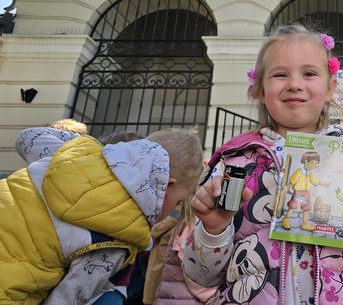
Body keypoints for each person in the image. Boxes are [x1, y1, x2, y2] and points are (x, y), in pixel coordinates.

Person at [180, 24, 343, 304]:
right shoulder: (234, 164)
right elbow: (200, 274)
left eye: (309, 73)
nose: (295, 84)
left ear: (329, 88)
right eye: (280, 74)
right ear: (259, 89)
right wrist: (213, 231)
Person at [0, 125, 203, 305]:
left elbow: (27, 137)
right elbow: (68, 296)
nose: (175, 208)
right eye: (178, 202)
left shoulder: (83, 154)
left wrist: (89, 147)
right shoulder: (121, 234)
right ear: (168, 185)